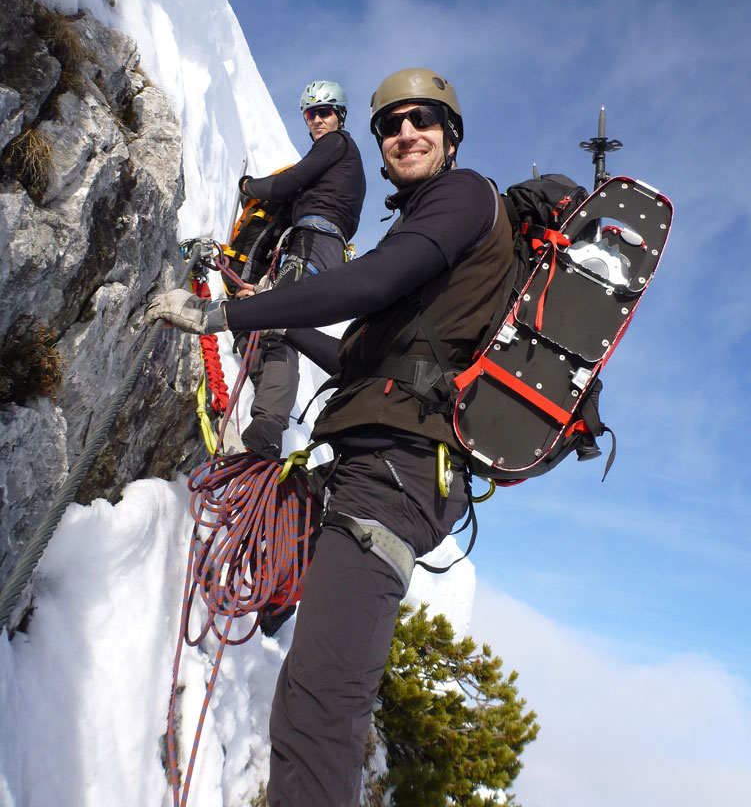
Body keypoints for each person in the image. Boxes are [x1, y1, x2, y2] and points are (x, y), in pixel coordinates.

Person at [146, 67, 516, 806]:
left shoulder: (465, 196)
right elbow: (360, 363)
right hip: (379, 466)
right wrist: (283, 324)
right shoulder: (432, 254)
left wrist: (226, 315)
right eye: (391, 124)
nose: (405, 132)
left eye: (423, 119)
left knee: (317, 713)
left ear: (451, 136)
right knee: (313, 699)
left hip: (394, 477)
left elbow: (368, 282)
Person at [232, 80, 365, 460]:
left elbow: (287, 183)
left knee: (279, 324)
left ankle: (267, 426)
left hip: (313, 241)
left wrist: (248, 186)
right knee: (272, 320)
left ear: (339, 116)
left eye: (325, 112)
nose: (317, 120)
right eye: (311, 114)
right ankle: (266, 404)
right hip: (324, 248)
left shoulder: (336, 144)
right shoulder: (344, 160)